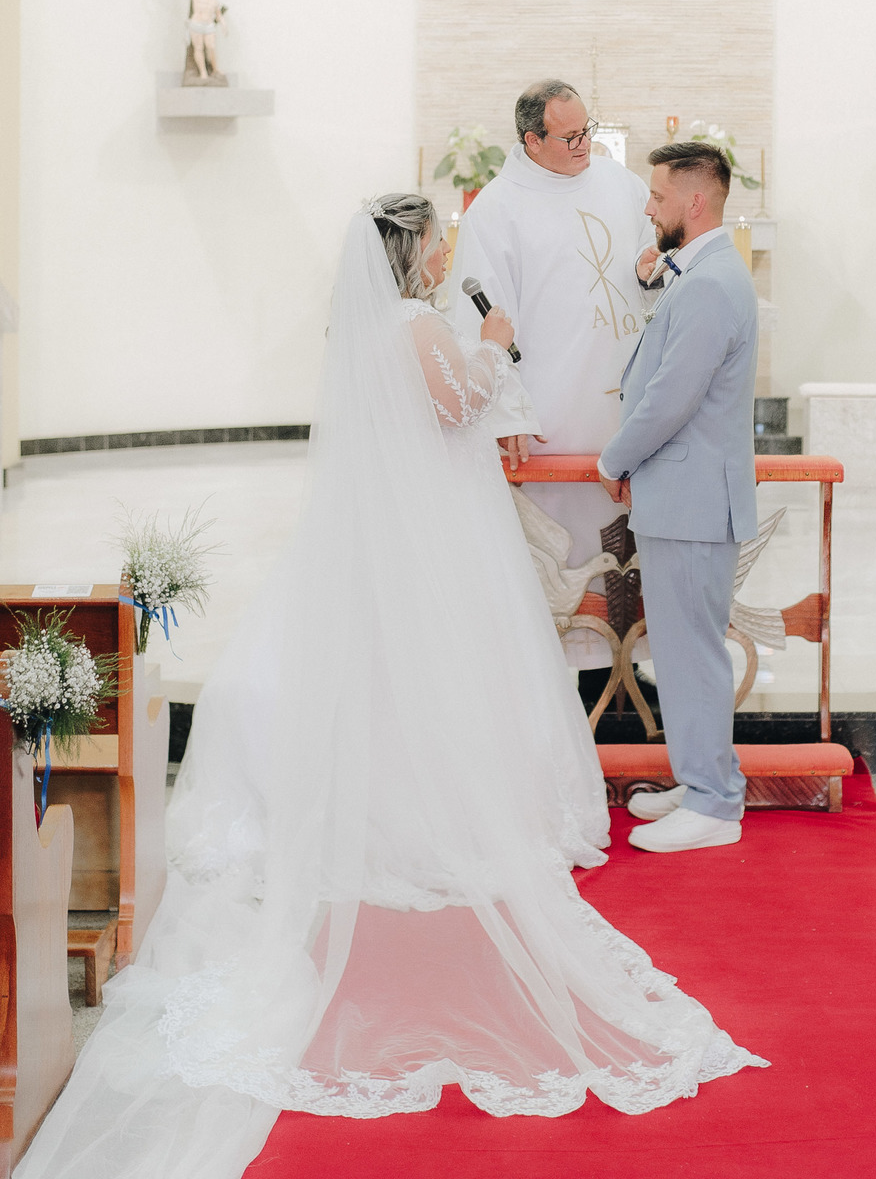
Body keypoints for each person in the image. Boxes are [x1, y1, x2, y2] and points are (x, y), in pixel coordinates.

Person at [18, 197, 763, 1179]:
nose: (450, 251)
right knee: (443, 670)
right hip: (436, 535)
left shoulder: (371, 332)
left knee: (389, 674)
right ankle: (432, 805)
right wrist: (492, 347)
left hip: (394, 529)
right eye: (441, 240)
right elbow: (454, 409)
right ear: (414, 252)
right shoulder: (415, 325)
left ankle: (384, 789)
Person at [452, 79, 659, 689]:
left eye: (586, 130)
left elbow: (650, 256)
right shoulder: (497, 209)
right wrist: (505, 412)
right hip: (553, 416)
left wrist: (648, 271)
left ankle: (626, 668)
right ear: (531, 140)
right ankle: (562, 677)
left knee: (628, 543)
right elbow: (481, 321)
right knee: (563, 553)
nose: (584, 144)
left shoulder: (621, 185)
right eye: (569, 137)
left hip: (624, 408)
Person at [598, 142, 759, 856]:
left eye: (658, 197)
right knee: (683, 648)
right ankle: (700, 782)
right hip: (684, 495)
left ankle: (716, 803)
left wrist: (614, 457)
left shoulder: (711, 284)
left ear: (695, 202)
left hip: (692, 499)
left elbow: (671, 396)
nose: (647, 207)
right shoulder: (700, 273)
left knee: (692, 653)